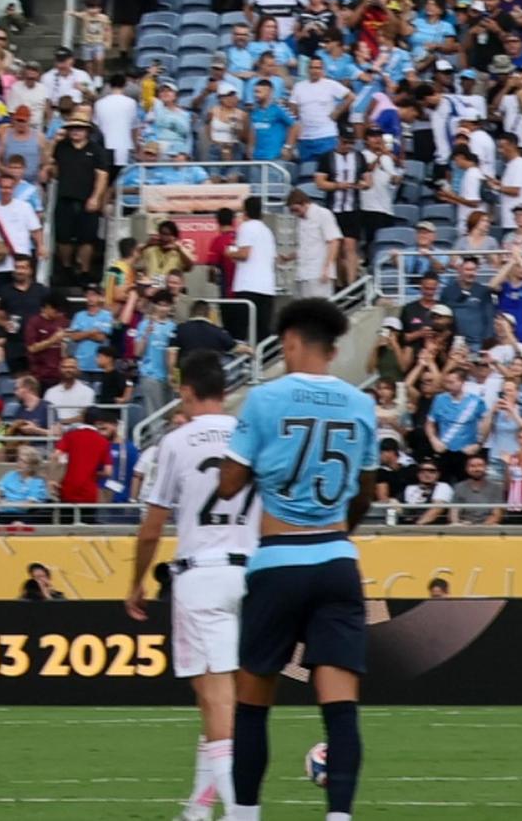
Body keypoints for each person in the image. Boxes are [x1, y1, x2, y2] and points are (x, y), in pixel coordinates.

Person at [214, 298, 381, 821]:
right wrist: (336, 532)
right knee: (340, 707)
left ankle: (244, 815)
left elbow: (228, 485)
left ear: (289, 343)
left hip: (279, 559)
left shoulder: (265, 399)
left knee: (253, 701)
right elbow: (367, 491)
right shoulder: (361, 404)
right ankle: (338, 817)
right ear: (334, 349)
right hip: (335, 559)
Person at [127, 345, 252, 821]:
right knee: (218, 699)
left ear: (186, 390)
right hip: (249, 572)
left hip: (201, 574)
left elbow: (153, 526)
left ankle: (241, 814)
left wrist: (136, 582)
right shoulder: (247, 434)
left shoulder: (176, 443)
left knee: (215, 696)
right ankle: (198, 811)